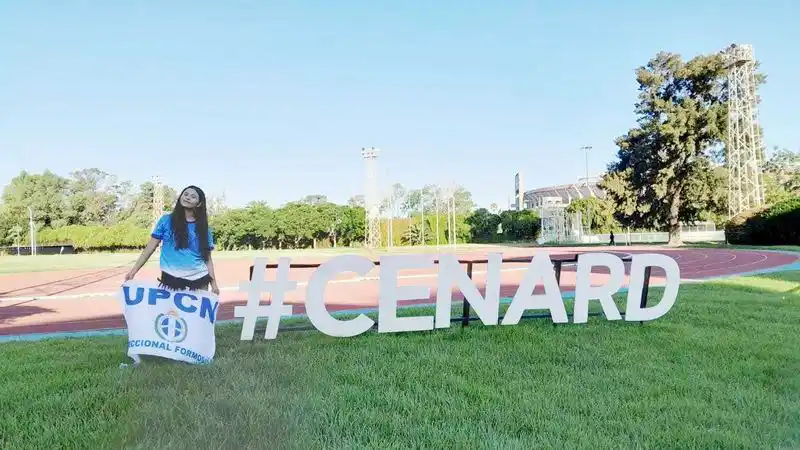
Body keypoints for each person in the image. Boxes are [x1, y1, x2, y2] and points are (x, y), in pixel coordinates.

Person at [124, 185, 220, 295]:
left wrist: (214, 285)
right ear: (180, 197)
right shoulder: (166, 221)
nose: (188, 197)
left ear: (199, 203)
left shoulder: (204, 228)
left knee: (197, 313)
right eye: (185, 194)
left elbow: (207, 258)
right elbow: (150, 248)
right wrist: (133, 271)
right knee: (170, 312)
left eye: (193, 196)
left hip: (199, 280)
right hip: (170, 279)